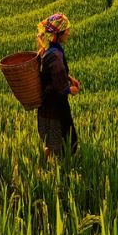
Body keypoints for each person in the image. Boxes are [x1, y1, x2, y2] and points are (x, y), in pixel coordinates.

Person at [36, 12, 80, 159]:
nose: (68, 32)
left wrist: (69, 77)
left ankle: (45, 166)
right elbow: (60, 87)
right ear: (59, 33)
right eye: (66, 29)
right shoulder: (55, 55)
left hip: (46, 103)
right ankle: (61, 169)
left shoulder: (49, 49)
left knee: (51, 139)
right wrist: (71, 90)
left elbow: (54, 73)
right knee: (67, 139)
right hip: (56, 105)